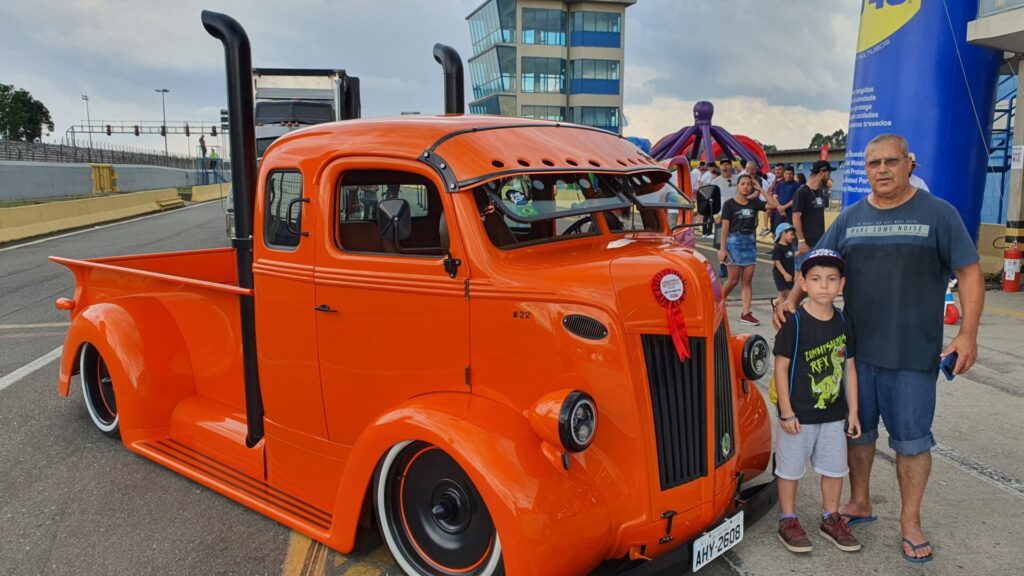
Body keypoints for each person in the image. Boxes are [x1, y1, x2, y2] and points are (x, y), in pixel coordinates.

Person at [774, 133, 984, 564]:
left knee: (911, 443)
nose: (882, 170)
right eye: (873, 164)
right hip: (852, 356)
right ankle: (860, 502)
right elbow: (816, 262)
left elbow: (968, 272)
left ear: (910, 163)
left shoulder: (939, 215)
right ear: (865, 169)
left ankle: (909, 521)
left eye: (891, 161)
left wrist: (967, 333)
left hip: (912, 356)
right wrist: (791, 301)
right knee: (858, 434)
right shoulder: (850, 218)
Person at [773, 248, 862, 554]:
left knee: (835, 469)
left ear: (842, 284)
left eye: (831, 279)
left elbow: (849, 367)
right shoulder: (794, 322)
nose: (824, 285)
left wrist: (853, 411)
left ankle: (830, 517)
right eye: (816, 279)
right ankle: (788, 518)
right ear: (804, 283)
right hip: (797, 415)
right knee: (789, 470)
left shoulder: (842, 321)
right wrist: (786, 412)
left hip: (833, 414)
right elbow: (781, 367)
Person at [717, 174, 778, 325]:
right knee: (733, 280)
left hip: (750, 242)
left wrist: (761, 189)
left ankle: (745, 313)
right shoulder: (729, 204)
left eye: (749, 184)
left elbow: (773, 205)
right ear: (737, 186)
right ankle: (715, 304)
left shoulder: (754, 203)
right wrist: (722, 248)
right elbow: (724, 227)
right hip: (734, 242)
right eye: (742, 183)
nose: (746, 186)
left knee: (747, 280)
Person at [792, 159, 832, 266]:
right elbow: (796, 218)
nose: (829, 177)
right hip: (805, 242)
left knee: (814, 274)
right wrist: (801, 241)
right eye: (828, 173)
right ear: (822, 173)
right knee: (801, 274)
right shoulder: (802, 192)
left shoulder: (821, 191)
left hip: (818, 242)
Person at [711, 160, 739, 277]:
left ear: (731, 166)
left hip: (736, 216)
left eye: (727, 164)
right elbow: (711, 200)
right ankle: (723, 266)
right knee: (720, 243)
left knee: (735, 242)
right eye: (723, 164)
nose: (725, 166)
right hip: (721, 216)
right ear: (720, 167)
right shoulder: (715, 182)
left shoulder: (737, 180)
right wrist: (715, 215)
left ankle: (735, 266)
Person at [771, 222, 797, 310]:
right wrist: (784, 274)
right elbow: (777, 262)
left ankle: (775, 302)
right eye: (791, 234)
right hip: (780, 274)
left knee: (789, 293)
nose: (793, 237)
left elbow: (792, 254)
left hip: (789, 273)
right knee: (783, 292)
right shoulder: (778, 247)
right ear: (783, 233)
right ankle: (781, 311)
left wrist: (801, 252)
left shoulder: (790, 246)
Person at [772, 165, 800, 229]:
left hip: (790, 213)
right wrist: (780, 208)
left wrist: (784, 208)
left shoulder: (797, 186)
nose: (788, 176)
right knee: (778, 230)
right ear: (784, 174)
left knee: (789, 231)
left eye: (790, 174)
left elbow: (795, 200)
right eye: (786, 174)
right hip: (779, 212)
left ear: (793, 174)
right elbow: (775, 196)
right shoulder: (780, 184)